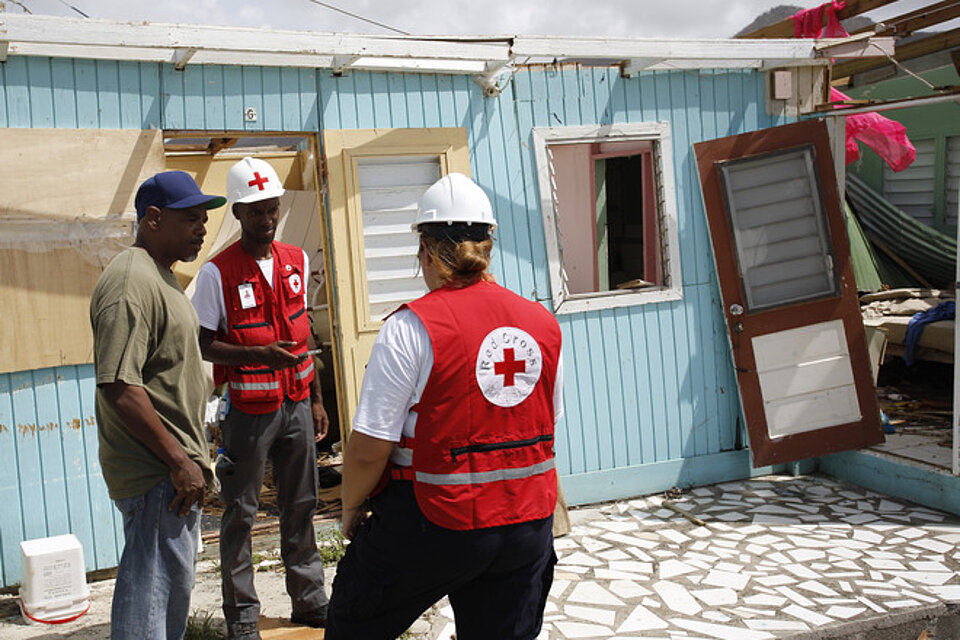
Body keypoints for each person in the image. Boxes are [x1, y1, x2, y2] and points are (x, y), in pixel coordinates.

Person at [326, 173, 564, 640]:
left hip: (433, 521)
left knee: (353, 625)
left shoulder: (410, 329)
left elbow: (369, 448)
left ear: (426, 251)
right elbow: (547, 424)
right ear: (488, 246)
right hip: (526, 523)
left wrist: (352, 506)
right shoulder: (542, 323)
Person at [190, 157, 329, 640]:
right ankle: (243, 618)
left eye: (272, 210)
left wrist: (314, 398)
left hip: (296, 405)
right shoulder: (216, 273)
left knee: (303, 504)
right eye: (256, 213)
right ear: (238, 213)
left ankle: (310, 602)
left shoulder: (297, 259)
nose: (267, 221)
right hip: (248, 414)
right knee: (242, 514)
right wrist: (258, 355)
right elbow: (202, 342)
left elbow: (303, 329)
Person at [90, 171, 225, 640]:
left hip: (173, 474)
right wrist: (178, 460)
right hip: (157, 475)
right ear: (153, 218)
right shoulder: (130, 283)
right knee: (147, 609)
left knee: (166, 602)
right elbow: (119, 385)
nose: (202, 229)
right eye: (190, 219)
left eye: (204, 219)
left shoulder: (161, 275)